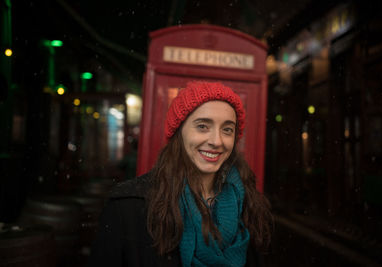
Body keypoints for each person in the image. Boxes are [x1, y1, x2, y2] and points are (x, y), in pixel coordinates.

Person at [89, 81, 273, 267]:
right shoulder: (129, 207)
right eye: (202, 126)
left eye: (227, 129)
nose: (217, 141)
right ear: (179, 132)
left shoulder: (249, 206)